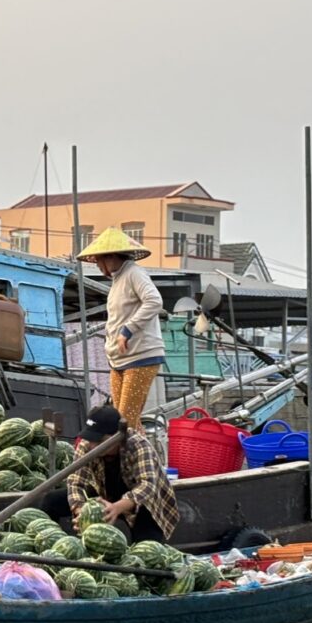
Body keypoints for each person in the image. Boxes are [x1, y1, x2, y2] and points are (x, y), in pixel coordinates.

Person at [78, 227, 165, 430]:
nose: (98, 265)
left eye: (99, 260)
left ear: (111, 256)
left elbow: (154, 301)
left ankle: (135, 460)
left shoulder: (134, 273)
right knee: (125, 420)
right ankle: (146, 459)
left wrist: (128, 330)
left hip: (140, 356)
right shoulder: (119, 280)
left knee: (123, 423)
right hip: (119, 359)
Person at [66, 405, 179, 543]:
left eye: (99, 441)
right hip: (105, 493)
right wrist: (81, 512)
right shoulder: (87, 445)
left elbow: (148, 485)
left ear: (117, 436)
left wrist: (116, 508)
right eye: (91, 439)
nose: (93, 446)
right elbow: (75, 482)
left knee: (145, 546)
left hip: (144, 501)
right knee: (50, 500)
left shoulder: (138, 444)